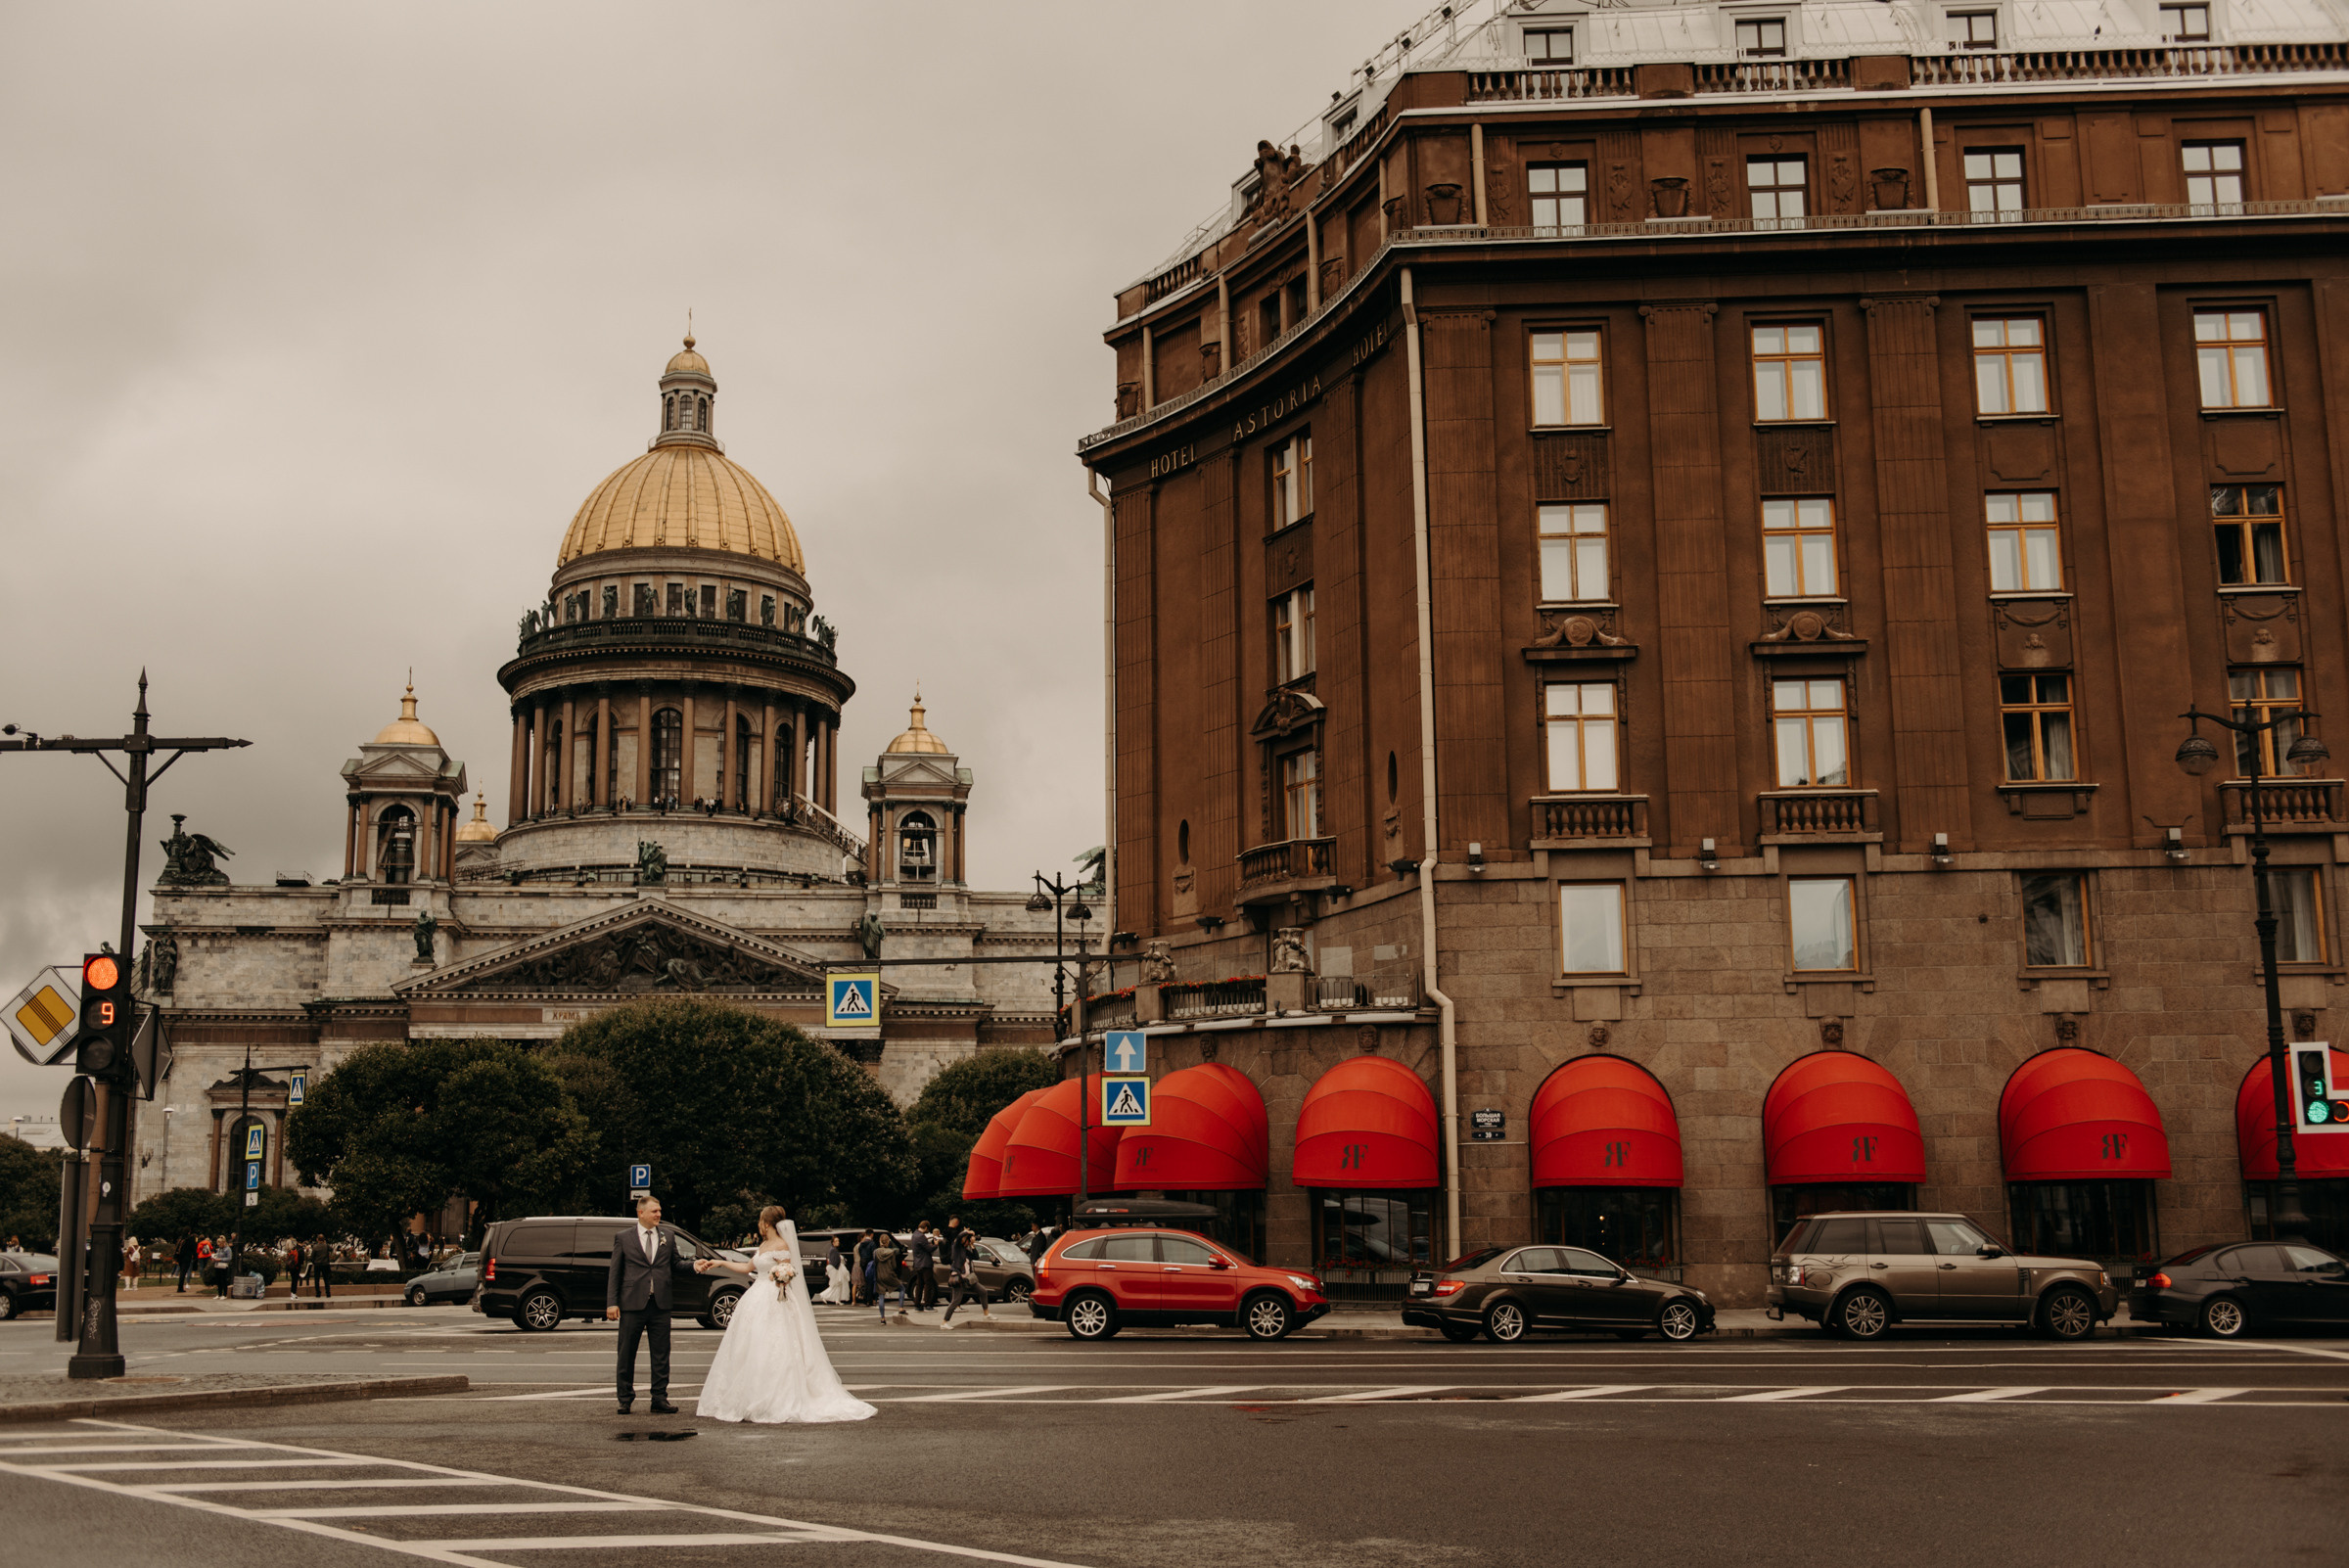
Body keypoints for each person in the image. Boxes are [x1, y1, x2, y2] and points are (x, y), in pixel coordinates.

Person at [692, 1206, 875, 1424]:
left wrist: (781, 1278)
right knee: (751, 1345)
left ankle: (774, 1397)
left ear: (767, 1223)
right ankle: (751, 1394)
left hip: (774, 1298)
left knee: (774, 1345)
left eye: (760, 1220)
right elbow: (747, 1267)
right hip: (756, 1297)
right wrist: (720, 1262)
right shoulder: (763, 1245)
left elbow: (787, 1273)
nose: (759, 1224)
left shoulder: (781, 1245)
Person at [605, 1193, 694, 1415]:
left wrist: (694, 1266)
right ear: (641, 1213)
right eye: (654, 1211)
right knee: (626, 1353)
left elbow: (676, 1264)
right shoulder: (623, 1238)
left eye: (659, 1210)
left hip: (660, 1304)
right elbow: (615, 1272)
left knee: (661, 1354)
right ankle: (625, 1399)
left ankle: (659, 1398)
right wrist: (612, 1303)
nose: (658, 1214)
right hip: (632, 1303)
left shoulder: (668, 1236)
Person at [940, 1227, 992, 1328]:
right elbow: (959, 1237)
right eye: (968, 1240)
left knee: (983, 1291)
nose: (968, 1242)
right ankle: (944, 1322)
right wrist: (967, 1232)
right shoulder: (956, 1247)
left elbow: (976, 1256)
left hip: (968, 1279)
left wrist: (972, 1245)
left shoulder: (965, 1250)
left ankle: (986, 1314)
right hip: (959, 1278)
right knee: (956, 1301)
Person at [872, 1230, 905, 1323]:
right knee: (902, 1288)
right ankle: (901, 1307)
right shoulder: (891, 1252)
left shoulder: (875, 1252)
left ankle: (882, 1318)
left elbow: (874, 1263)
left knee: (881, 1296)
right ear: (888, 1242)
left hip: (879, 1275)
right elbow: (894, 1266)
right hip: (889, 1275)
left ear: (880, 1241)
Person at [907, 1222, 937, 1313]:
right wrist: (936, 1244)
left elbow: (923, 1247)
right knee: (928, 1284)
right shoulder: (921, 1236)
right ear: (926, 1227)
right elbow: (929, 1249)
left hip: (917, 1264)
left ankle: (917, 1304)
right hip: (925, 1264)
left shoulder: (914, 1235)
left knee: (919, 1284)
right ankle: (927, 1304)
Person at [814, 1236, 852, 1306]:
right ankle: (824, 1295)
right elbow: (834, 1261)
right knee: (836, 1284)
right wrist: (837, 1267)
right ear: (833, 1242)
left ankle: (837, 1299)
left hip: (835, 1268)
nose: (838, 1242)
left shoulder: (834, 1249)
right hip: (835, 1269)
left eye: (838, 1241)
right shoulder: (833, 1250)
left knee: (837, 1285)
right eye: (836, 1241)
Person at [854, 1229, 877, 1306]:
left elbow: (860, 1252)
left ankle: (865, 1298)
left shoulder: (861, 1244)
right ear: (871, 1234)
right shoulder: (872, 1243)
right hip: (870, 1263)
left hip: (863, 1263)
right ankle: (869, 1299)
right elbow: (874, 1254)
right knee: (870, 1282)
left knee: (866, 1281)